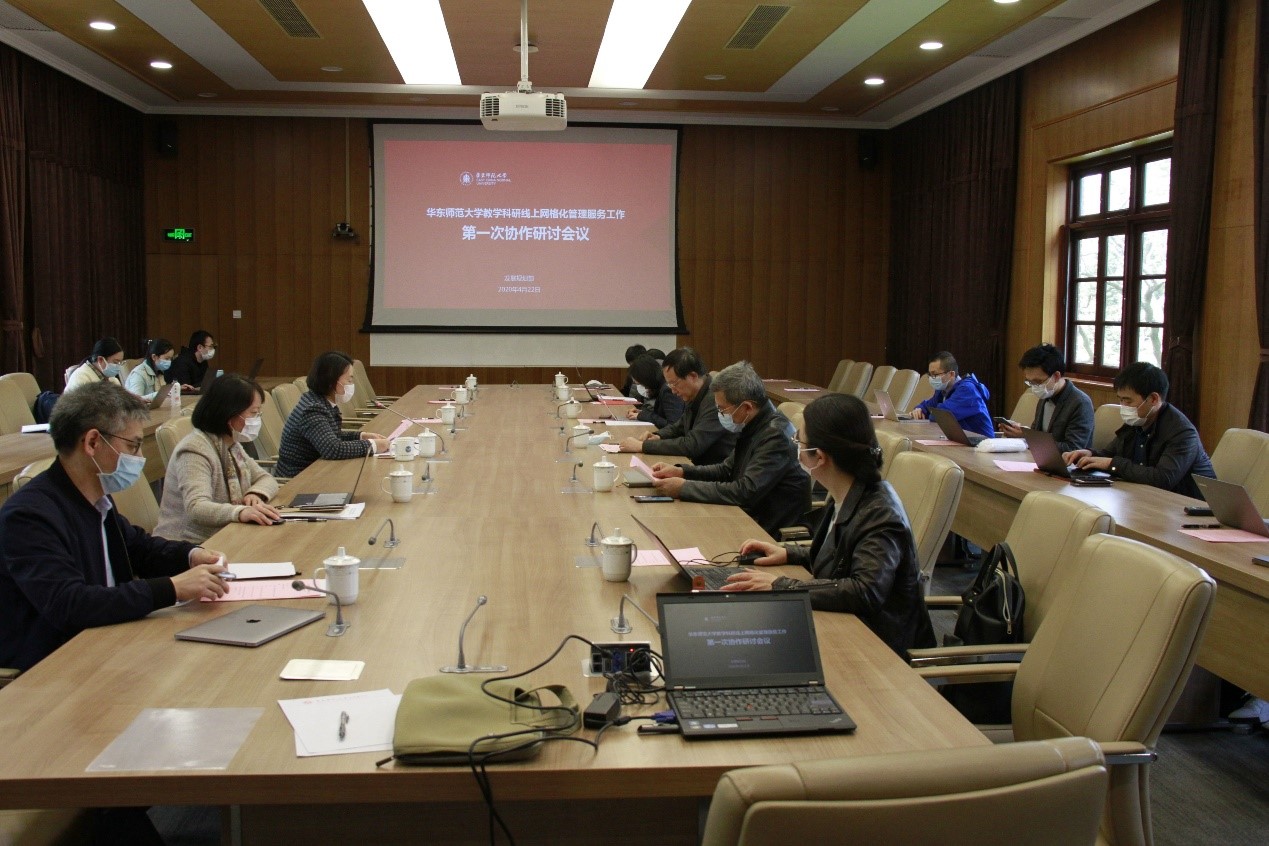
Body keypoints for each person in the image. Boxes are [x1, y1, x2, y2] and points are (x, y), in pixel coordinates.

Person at [0, 381, 230, 672]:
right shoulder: (28, 515)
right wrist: (172, 589)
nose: (140, 457)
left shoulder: (96, 497)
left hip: (108, 638)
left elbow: (137, 548)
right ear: (92, 442)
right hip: (54, 664)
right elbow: (69, 604)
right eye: (133, 445)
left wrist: (190, 556)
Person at [720, 393, 936, 658]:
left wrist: (781, 585)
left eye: (799, 441)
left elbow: (865, 591)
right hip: (849, 627)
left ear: (819, 457)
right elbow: (843, 555)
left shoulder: (881, 515)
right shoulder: (847, 490)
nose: (796, 447)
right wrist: (788, 553)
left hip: (880, 649)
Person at [649, 361, 809, 538]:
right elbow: (726, 469)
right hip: (746, 515)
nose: (720, 414)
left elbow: (745, 492)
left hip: (766, 530)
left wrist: (684, 488)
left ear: (747, 407)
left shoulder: (775, 435)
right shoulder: (753, 424)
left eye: (722, 409)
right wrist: (682, 472)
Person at [155, 375, 281, 543]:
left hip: (226, 534)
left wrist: (255, 493)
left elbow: (266, 478)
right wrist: (240, 512)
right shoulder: (194, 450)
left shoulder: (230, 444)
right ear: (229, 413)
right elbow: (196, 507)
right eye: (253, 413)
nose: (257, 419)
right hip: (188, 544)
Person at [1063, 361, 1215, 498]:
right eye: (1120, 400)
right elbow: (1111, 453)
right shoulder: (1137, 421)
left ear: (1153, 399)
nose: (1123, 406)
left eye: (1128, 401)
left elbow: (1162, 479)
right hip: (1146, 497)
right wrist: (1089, 454)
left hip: (1188, 506)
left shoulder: (1182, 433)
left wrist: (1112, 464)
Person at [276, 351, 389, 478]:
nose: (351, 384)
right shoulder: (312, 409)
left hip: (317, 472)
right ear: (331, 381)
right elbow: (333, 448)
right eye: (349, 380)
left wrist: (361, 436)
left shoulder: (320, 401)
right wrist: (372, 445)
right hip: (297, 480)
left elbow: (330, 436)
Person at [618, 347, 737, 465]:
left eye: (674, 383)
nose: (673, 390)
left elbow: (692, 445)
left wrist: (642, 446)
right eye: (669, 384)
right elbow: (679, 426)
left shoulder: (715, 398)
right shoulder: (695, 393)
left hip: (713, 469)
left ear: (693, 376)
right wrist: (657, 435)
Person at [999, 343, 1094, 453]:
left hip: (1065, 462)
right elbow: (1039, 434)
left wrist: (1028, 437)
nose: (1035, 387)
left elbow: (1072, 449)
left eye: (1038, 381)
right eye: (1030, 382)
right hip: (1040, 457)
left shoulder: (1080, 403)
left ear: (1056, 376)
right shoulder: (1046, 394)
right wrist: (1023, 432)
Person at [909, 350, 993, 438]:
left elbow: (942, 416)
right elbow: (928, 405)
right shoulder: (942, 390)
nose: (931, 378)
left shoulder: (968, 390)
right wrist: (920, 409)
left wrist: (928, 413)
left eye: (935, 374)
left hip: (981, 444)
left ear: (951, 374)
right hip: (961, 441)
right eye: (930, 375)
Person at [626, 353, 684, 428]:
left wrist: (643, 416)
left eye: (641, 384)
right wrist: (642, 413)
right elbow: (661, 415)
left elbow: (673, 425)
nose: (644, 387)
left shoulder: (668, 390)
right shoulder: (661, 386)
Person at [123, 337, 175, 402]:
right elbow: (136, 401)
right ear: (154, 357)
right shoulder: (138, 374)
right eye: (167, 358)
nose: (169, 362)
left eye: (171, 359)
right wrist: (160, 395)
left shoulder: (159, 371)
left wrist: (175, 388)